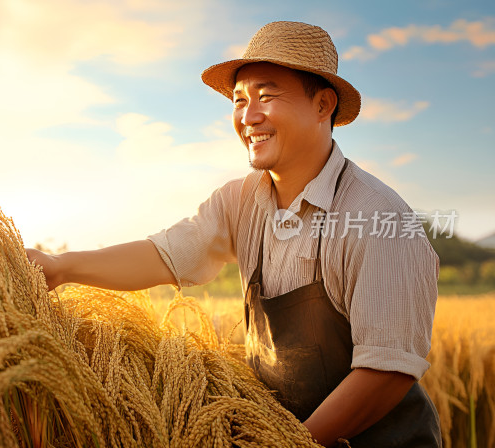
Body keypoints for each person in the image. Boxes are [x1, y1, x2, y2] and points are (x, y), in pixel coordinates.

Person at [26, 21, 441, 447]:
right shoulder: (240, 201)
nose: (249, 117)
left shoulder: (378, 217)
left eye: (266, 96)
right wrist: (61, 267)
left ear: (323, 105)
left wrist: (285, 442)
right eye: (240, 100)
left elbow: (386, 372)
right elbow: (164, 255)